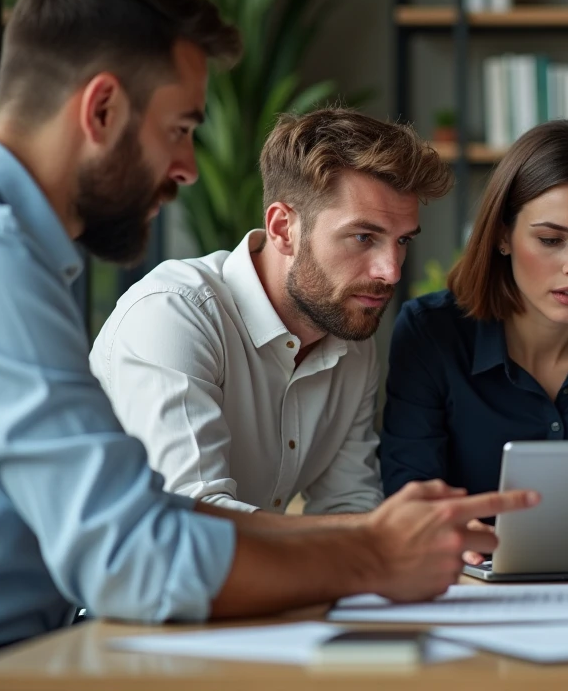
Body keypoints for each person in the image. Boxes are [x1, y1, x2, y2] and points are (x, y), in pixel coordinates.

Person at [0, 0, 535, 690]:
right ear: (101, 110)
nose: (188, 168)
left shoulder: (0, 250)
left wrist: (385, 537)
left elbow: (154, 512)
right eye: (181, 128)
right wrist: (375, 552)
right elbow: (142, 555)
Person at [91, 107, 449, 516]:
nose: (391, 271)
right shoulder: (174, 314)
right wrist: (371, 542)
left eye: (403, 241)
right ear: (283, 229)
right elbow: (197, 520)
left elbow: (347, 504)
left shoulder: (349, 333)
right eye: (364, 237)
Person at [379, 120, 568, 505]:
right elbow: (410, 498)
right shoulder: (430, 333)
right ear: (503, 235)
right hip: (461, 563)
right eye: (551, 240)